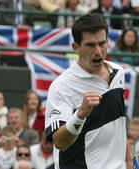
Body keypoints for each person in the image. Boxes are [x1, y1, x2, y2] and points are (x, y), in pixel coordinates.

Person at [45, 13, 127, 169]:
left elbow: (119, 126)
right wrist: (81, 114)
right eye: (90, 45)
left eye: (102, 43)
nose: (98, 51)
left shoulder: (118, 73)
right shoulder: (61, 87)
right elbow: (60, 142)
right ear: (76, 47)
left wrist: (128, 160)